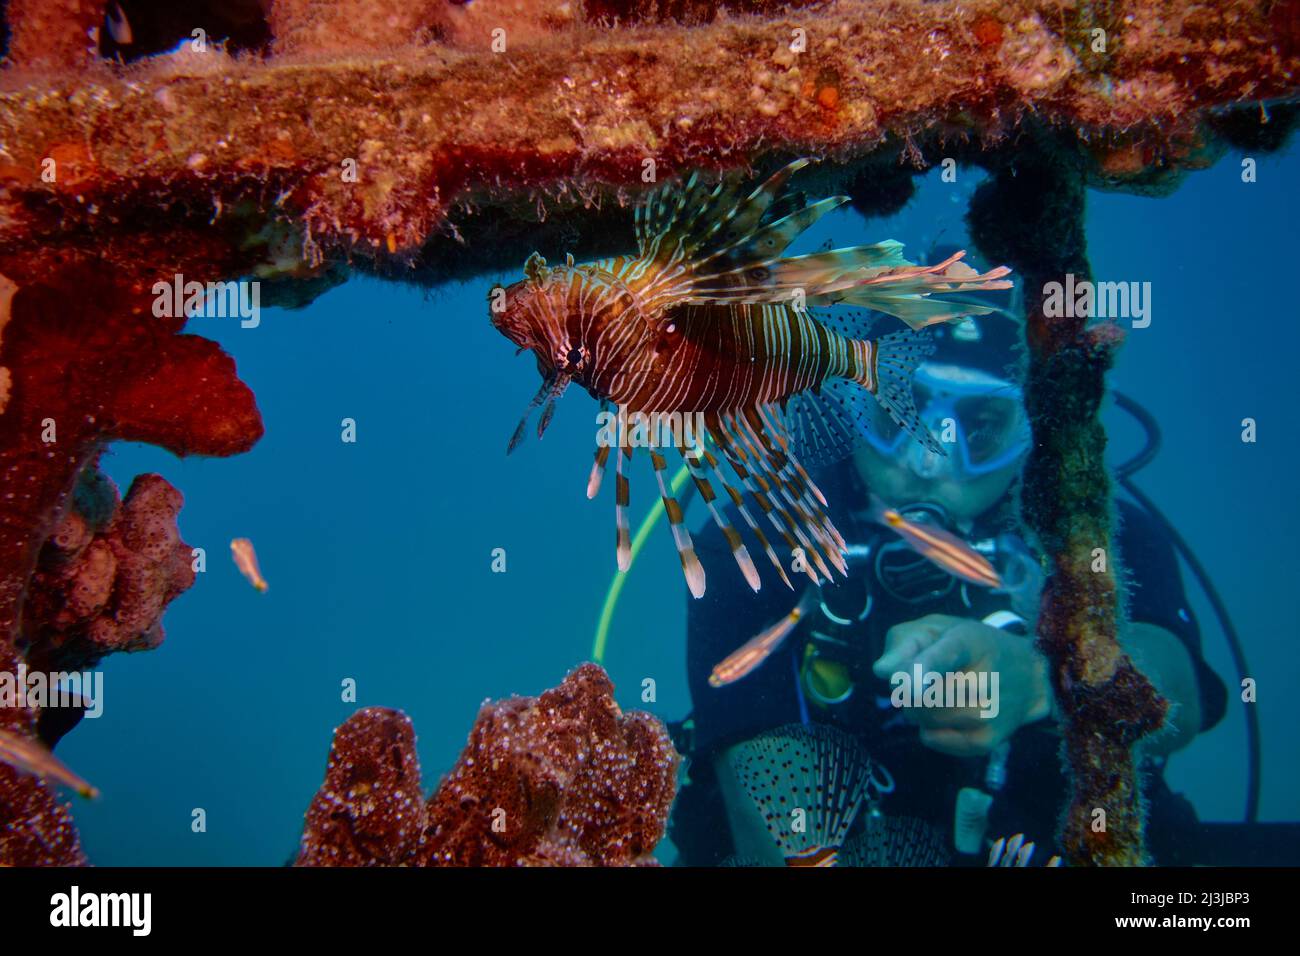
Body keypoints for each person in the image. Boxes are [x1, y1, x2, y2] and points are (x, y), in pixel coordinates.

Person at [667, 306, 1228, 866]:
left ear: (1031, 429)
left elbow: (1180, 693)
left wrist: (1044, 682)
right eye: (897, 410)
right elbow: (766, 812)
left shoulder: (1099, 530)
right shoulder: (755, 535)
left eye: (980, 429)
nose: (927, 462)